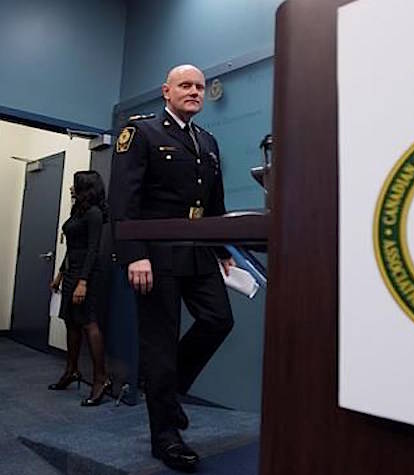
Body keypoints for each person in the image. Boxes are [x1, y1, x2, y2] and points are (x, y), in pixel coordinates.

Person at [109, 64, 235, 472]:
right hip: (155, 255)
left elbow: (214, 202)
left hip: (198, 251)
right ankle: (165, 437)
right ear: (166, 91)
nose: (195, 91)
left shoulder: (208, 140)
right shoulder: (142, 132)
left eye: (199, 86)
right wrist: (134, 254)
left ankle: (167, 392)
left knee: (218, 319)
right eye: (186, 85)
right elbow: (124, 200)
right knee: (160, 344)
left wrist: (222, 248)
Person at [49, 170, 111, 406]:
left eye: (75, 184)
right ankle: (71, 371)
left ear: (86, 187)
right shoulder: (78, 211)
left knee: (88, 323)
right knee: (71, 322)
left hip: (88, 275)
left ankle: (100, 379)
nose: (71, 188)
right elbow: (73, 247)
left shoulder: (95, 214)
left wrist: (82, 282)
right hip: (72, 272)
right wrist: (60, 276)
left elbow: (93, 250)